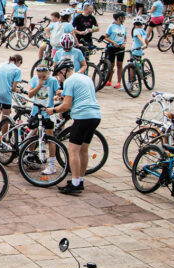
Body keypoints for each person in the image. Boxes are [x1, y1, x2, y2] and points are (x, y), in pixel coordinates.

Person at [47, 58, 102, 195]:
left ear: (64, 71)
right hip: (95, 115)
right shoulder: (85, 78)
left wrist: (52, 110)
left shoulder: (70, 81)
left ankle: (75, 184)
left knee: (73, 150)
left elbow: (66, 106)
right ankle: (80, 180)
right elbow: (82, 95)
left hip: (82, 117)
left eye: (59, 74)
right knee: (83, 149)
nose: (59, 78)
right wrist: (63, 94)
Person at [28, 64, 60, 176]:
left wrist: (58, 96)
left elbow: (57, 92)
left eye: (44, 76)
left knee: (50, 137)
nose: (42, 78)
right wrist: (39, 85)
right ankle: (30, 154)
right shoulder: (35, 80)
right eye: (39, 75)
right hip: (36, 112)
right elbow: (30, 94)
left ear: (48, 73)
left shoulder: (53, 81)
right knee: (33, 134)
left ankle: (52, 164)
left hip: (48, 113)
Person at [0, 55, 23, 129]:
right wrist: (18, 90)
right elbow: (13, 88)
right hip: (6, 95)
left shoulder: (1, 65)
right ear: (19, 62)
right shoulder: (17, 70)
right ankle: (4, 138)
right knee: (5, 120)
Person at [104, 11, 128, 89]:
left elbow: (125, 37)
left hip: (120, 47)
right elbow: (106, 37)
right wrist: (113, 42)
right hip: (112, 47)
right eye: (122, 17)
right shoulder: (111, 26)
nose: (124, 19)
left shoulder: (123, 27)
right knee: (111, 65)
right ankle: (109, 80)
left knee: (119, 64)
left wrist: (124, 43)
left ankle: (118, 82)